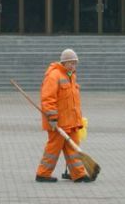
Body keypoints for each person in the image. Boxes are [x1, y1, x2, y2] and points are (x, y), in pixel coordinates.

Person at [35, 48, 92, 183]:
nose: (73, 66)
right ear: (64, 62)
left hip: (71, 122)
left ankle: (78, 174)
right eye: (71, 63)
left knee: (74, 148)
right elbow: (48, 99)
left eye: (75, 63)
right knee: (53, 149)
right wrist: (52, 118)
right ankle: (43, 174)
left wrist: (79, 119)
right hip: (58, 123)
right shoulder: (54, 75)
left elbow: (73, 101)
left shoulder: (71, 76)